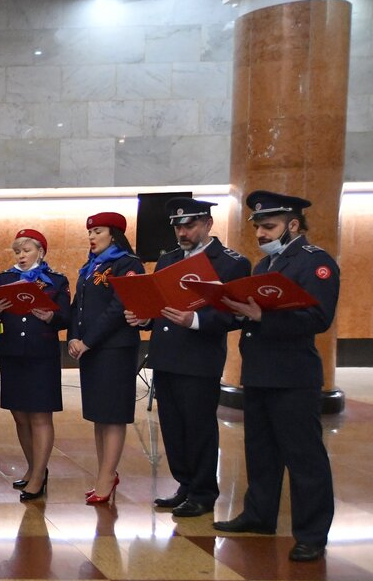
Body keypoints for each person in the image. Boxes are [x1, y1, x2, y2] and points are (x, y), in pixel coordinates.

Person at [213, 191, 340, 562]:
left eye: (268, 227)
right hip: (259, 372)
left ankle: (312, 534)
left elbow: (318, 318)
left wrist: (261, 317)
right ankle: (259, 515)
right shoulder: (265, 265)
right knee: (261, 451)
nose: (261, 234)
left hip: (292, 376)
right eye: (258, 228)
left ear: (293, 225)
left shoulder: (315, 262)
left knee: (303, 457)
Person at [124, 198, 250, 517]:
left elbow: (235, 315)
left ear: (208, 224)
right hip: (166, 354)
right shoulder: (168, 260)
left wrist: (194, 320)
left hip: (199, 358)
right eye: (178, 227)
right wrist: (145, 318)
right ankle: (185, 484)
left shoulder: (231, 263)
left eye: (190, 226)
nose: (182, 232)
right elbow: (159, 304)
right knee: (172, 426)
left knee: (198, 427)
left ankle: (203, 492)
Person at [0, 229, 70, 502]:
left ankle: (38, 476)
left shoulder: (56, 280)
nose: (21, 256)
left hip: (41, 354)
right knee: (19, 415)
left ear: (40, 252)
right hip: (12, 352)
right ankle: (34, 468)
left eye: (26, 250)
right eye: (17, 252)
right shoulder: (6, 278)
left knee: (40, 416)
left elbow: (65, 317)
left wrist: (50, 317)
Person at [68, 212, 145, 505]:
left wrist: (88, 340)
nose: (91, 237)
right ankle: (105, 472)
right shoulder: (91, 266)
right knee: (99, 415)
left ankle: (107, 475)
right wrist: (73, 337)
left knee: (112, 415)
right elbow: (77, 306)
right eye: (90, 232)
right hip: (91, 349)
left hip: (115, 349)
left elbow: (118, 307)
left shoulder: (127, 263)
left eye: (97, 231)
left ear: (114, 234)